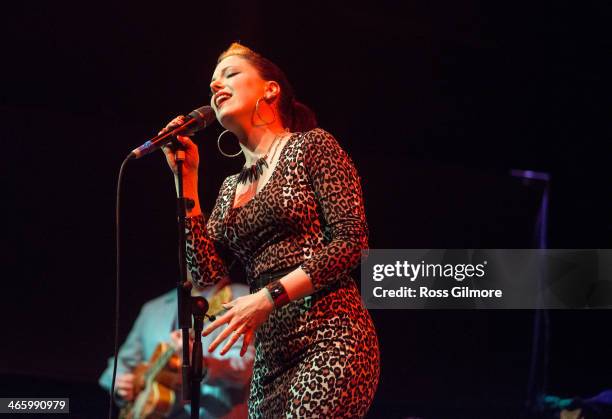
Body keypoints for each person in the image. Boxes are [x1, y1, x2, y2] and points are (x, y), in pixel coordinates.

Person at [161, 43, 380, 418]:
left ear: (270, 89)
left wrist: (267, 297)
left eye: (230, 74)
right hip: (271, 361)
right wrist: (188, 182)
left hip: (330, 338)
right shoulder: (231, 188)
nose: (216, 87)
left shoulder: (312, 146)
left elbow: (352, 242)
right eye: (212, 83)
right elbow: (207, 274)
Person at [99, 280, 254, 418]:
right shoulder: (152, 309)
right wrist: (121, 386)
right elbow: (117, 366)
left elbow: (245, 369)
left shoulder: (244, 297)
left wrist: (200, 363)